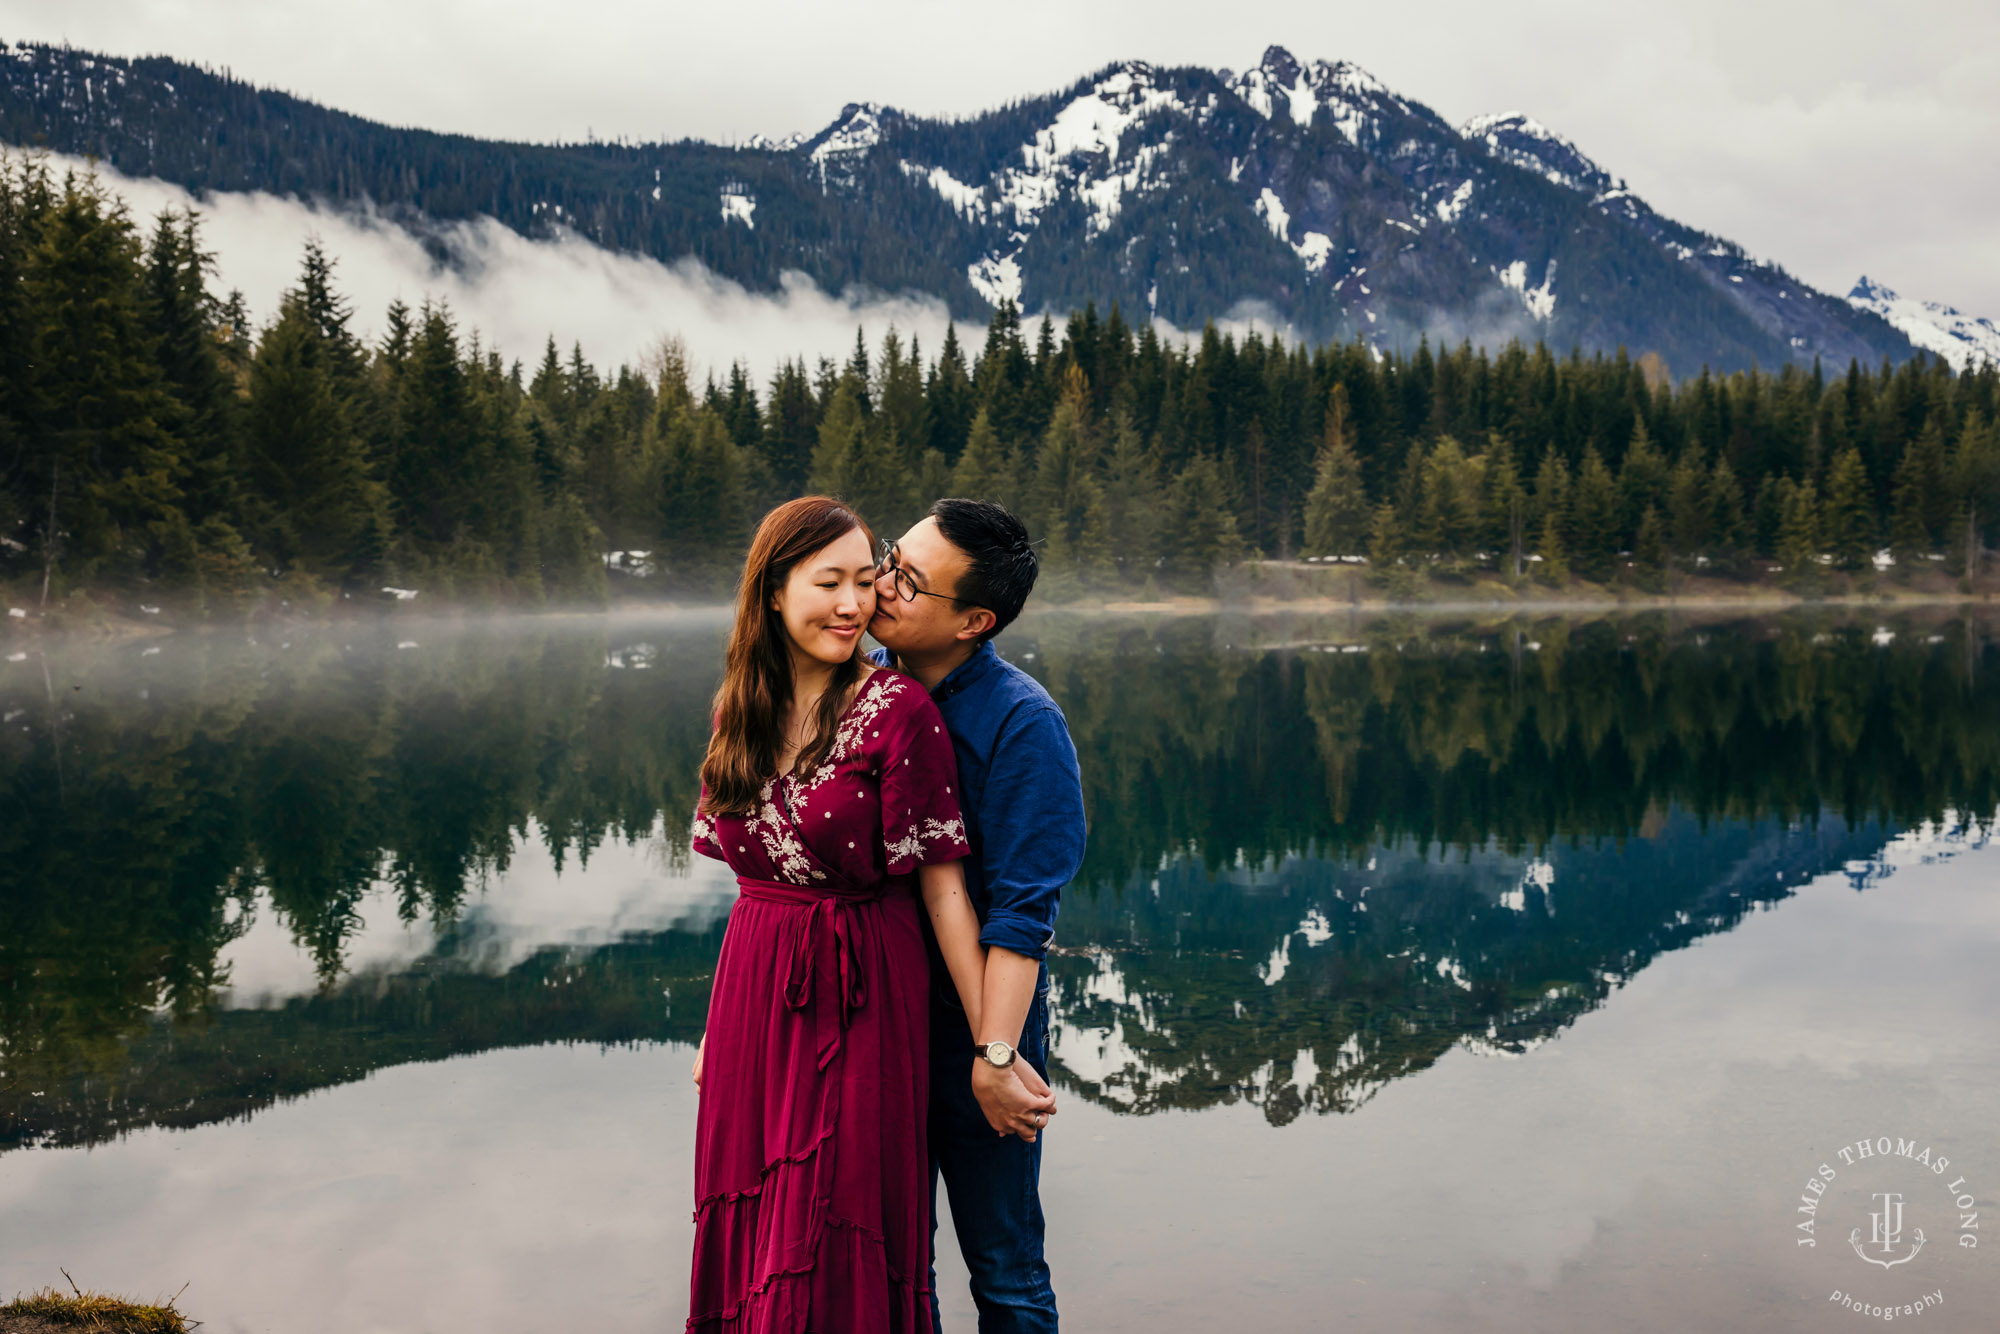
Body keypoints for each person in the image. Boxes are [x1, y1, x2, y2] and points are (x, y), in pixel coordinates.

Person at [685, 496, 992, 1334]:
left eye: (867, 580)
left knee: (838, 1209)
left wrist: (990, 1043)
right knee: (753, 1214)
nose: (854, 605)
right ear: (774, 592)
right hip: (754, 994)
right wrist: (716, 1030)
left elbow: (944, 890)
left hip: (864, 988)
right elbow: (749, 882)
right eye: (829, 582)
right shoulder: (736, 714)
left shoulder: (899, 713)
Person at [868, 499, 1087, 1334]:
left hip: (978, 1033)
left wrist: (995, 1056)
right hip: (871, 1024)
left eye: (909, 581)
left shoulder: (1023, 725)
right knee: (892, 1260)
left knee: (1004, 1268)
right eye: (892, 558)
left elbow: (1021, 918)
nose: (883, 585)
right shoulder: (861, 687)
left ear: (974, 621)